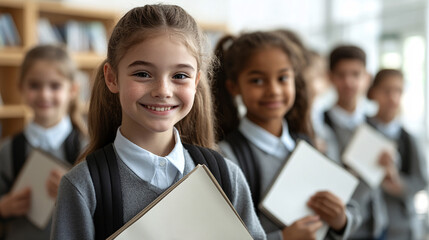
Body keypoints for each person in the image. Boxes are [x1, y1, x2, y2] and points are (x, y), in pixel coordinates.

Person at [50, 4, 266, 240]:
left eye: (180, 76)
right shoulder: (83, 186)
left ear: (196, 82)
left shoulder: (226, 176)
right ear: (112, 78)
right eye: (143, 74)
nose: (163, 90)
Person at [213, 31, 361, 240]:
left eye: (283, 78)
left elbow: (351, 207)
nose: (273, 90)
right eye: (257, 80)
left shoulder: (306, 144)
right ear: (234, 87)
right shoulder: (227, 157)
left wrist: (341, 219)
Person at [0, 44, 87, 240]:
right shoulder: (7, 151)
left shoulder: (87, 148)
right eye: (34, 85)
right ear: (20, 88)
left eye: (55, 86)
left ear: (73, 90)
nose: (44, 94)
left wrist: (74, 192)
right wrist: (4, 208)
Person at [320, 45, 387, 240]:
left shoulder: (376, 126)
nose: (348, 82)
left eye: (355, 74)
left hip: (376, 226)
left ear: (367, 78)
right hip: (339, 230)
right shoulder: (318, 127)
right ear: (330, 77)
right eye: (341, 75)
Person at [367, 69, 427, 240]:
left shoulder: (409, 139)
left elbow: (421, 181)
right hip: (367, 225)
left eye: (398, 91)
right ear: (373, 92)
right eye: (386, 91)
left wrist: (397, 183)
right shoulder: (362, 131)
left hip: (401, 225)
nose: (392, 97)